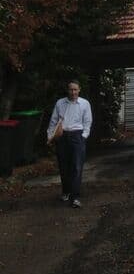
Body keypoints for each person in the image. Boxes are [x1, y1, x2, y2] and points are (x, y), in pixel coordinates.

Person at [47, 80, 92, 208]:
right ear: (67, 90)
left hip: (78, 136)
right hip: (62, 137)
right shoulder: (60, 103)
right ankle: (66, 192)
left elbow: (87, 122)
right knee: (64, 167)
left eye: (75, 90)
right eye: (71, 90)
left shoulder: (84, 104)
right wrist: (50, 137)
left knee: (77, 167)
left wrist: (83, 137)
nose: (73, 92)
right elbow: (53, 121)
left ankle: (75, 197)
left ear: (79, 90)